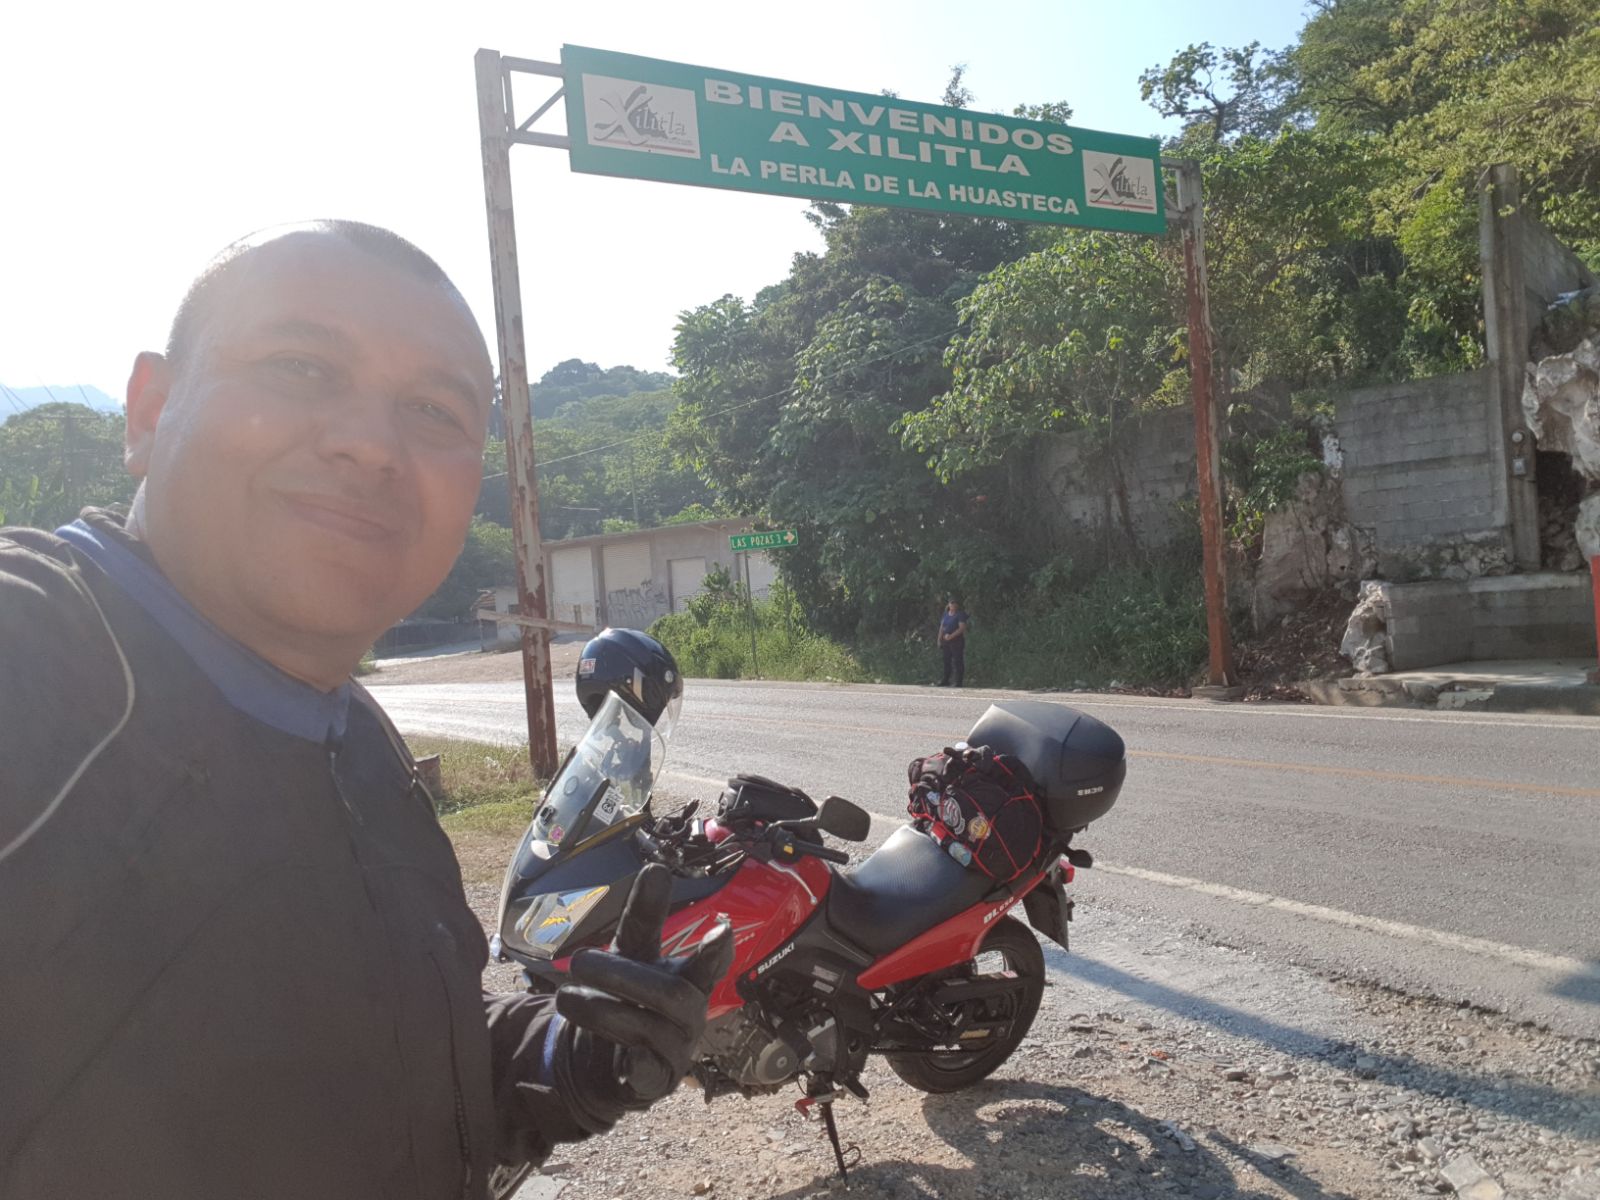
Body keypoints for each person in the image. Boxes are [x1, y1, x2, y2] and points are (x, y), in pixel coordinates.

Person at [0, 221, 730, 1199]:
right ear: (149, 410)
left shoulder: (352, 741)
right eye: (301, 367)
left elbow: (400, 1080)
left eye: (434, 410)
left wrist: (573, 1057)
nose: (371, 443)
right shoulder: (42, 648)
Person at [936, 596, 970, 687]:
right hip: (946, 641)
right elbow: (942, 628)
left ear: (957, 605)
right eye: (951, 603)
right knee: (946, 660)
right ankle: (946, 679)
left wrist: (951, 636)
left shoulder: (960, 614)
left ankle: (958, 681)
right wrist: (939, 639)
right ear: (949, 604)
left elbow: (962, 628)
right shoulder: (946, 615)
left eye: (954, 603)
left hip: (957, 641)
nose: (953, 605)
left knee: (957, 661)